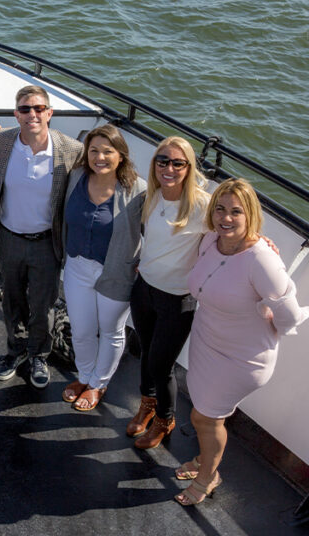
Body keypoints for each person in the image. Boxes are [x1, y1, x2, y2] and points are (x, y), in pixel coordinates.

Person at [175, 178, 307, 505]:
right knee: (203, 415)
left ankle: (208, 476)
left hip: (242, 358)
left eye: (236, 211)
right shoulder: (209, 241)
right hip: (207, 342)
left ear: (250, 215)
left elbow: (289, 318)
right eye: (220, 209)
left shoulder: (262, 259)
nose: (226, 218)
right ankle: (206, 461)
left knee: (205, 417)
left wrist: (264, 323)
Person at [0, 85, 84, 389]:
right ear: (16, 114)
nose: (32, 114)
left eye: (39, 108)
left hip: (46, 243)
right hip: (10, 238)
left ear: (50, 113)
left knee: (44, 305)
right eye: (25, 109)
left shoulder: (70, 150)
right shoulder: (2, 142)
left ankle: (40, 354)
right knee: (12, 301)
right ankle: (14, 351)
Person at [127, 136, 210, 448]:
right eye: (163, 160)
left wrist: (260, 242)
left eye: (178, 163)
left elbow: (236, 229)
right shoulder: (152, 195)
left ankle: (165, 418)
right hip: (144, 288)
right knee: (147, 352)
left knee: (161, 365)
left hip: (177, 300)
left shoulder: (202, 205)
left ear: (188, 168)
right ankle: (147, 405)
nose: (169, 168)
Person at [59, 125, 145, 410]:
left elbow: (165, 221)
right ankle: (84, 376)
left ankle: (99, 384)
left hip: (115, 272)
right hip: (76, 265)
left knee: (111, 330)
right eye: (93, 150)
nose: (100, 157)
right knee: (82, 330)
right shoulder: (76, 178)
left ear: (121, 155)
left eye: (108, 151)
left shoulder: (138, 190)